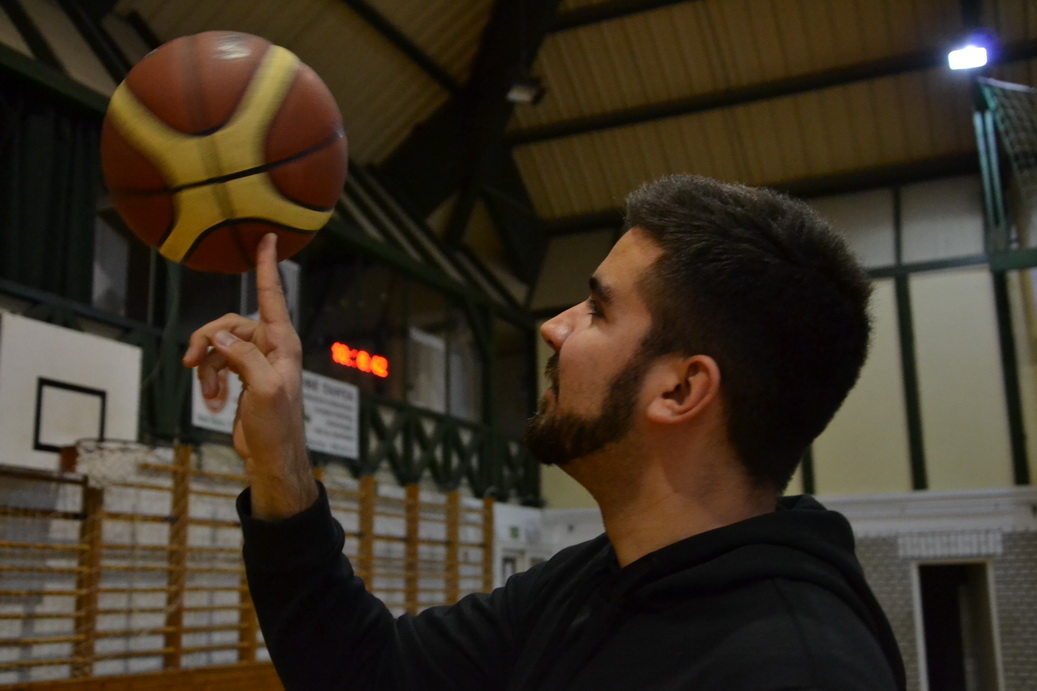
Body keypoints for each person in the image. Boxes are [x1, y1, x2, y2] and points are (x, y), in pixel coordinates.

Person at [183, 175, 906, 690]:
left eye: (596, 310)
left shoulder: (798, 669)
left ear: (681, 390)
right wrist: (280, 461)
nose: (553, 327)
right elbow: (364, 672)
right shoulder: (589, 584)